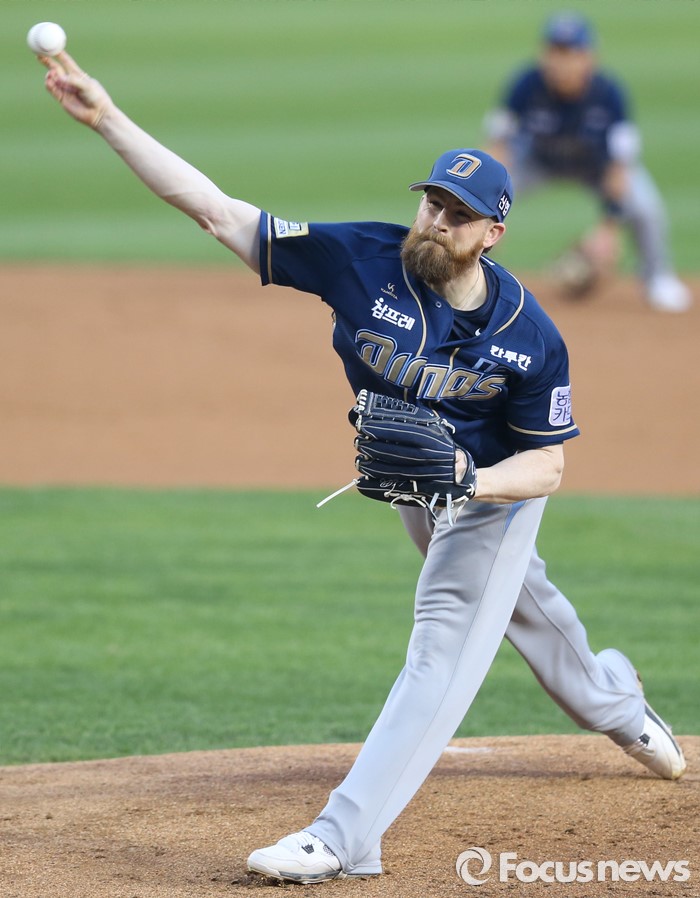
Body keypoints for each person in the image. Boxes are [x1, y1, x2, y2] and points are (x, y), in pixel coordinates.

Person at [38, 50, 686, 886]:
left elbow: (547, 467)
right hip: (414, 484)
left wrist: (471, 483)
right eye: (431, 203)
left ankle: (345, 838)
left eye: (458, 215)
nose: (436, 222)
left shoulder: (528, 336)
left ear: (492, 233)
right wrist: (108, 119)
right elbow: (216, 211)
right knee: (528, 609)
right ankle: (619, 703)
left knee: (442, 648)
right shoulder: (363, 259)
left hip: (491, 496)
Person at [484, 11, 692, 313]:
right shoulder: (525, 85)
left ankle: (657, 278)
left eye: (571, 52)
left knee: (645, 208)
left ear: (589, 57)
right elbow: (498, 145)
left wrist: (609, 228)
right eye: (556, 51)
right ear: (543, 54)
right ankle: (468, 275)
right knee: (479, 193)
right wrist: (490, 210)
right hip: (538, 163)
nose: (562, 61)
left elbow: (620, 166)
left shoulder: (610, 94)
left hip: (596, 168)